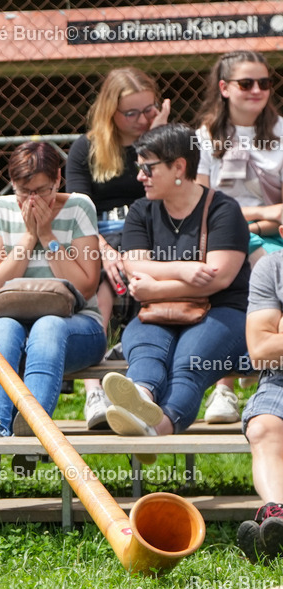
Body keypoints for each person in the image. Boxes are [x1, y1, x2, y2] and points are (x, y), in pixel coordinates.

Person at [0, 142, 105, 478]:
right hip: (12, 323)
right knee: (1, 328)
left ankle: (33, 433)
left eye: (42, 190)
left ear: (59, 178)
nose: (33, 200)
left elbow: (86, 286)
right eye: (23, 191)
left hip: (77, 326)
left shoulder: (79, 207)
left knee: (48, 326)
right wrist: (28, 238)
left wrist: (47, 235)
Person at [102, 123, 250, 438]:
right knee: (145, 349)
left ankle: (160, 426)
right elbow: (134, 265)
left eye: (148, 167)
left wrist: (155, 285)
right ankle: (140, 399)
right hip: (159, 310)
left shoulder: (224, 210)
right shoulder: (141, 210)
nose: (140, 176)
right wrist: (183, 270)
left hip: (222, 311)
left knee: (189, 363)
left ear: (179, 166)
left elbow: (217, 279)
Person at [65, 67, 170, 430]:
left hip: (150, 235)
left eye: (149, 110)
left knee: (149, 275)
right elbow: (79, 210)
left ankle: (136, 370)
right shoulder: (86, 149)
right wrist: (106, 250)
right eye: (132, 113)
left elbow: (174, 195)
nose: (142, 119)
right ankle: (94, 391)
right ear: (111, 111)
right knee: (99, 282)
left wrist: (161, 136)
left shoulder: (159, 143)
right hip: (98, 237)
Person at [195, 50, 283, 423]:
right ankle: (227, 388)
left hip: (277, 235)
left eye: (265, 83)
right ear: (224, 87)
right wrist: (263, 213)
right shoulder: (204, 138)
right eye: (246, 83)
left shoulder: (280, 131)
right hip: (228, 237)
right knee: (250, 259)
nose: (257, 90)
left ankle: (257, 378)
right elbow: (201, 205)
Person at [238, 240, 283, 563]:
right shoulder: (272, 267)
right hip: (279, 376)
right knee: (263, 427)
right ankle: (277, 517)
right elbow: (261, 348)